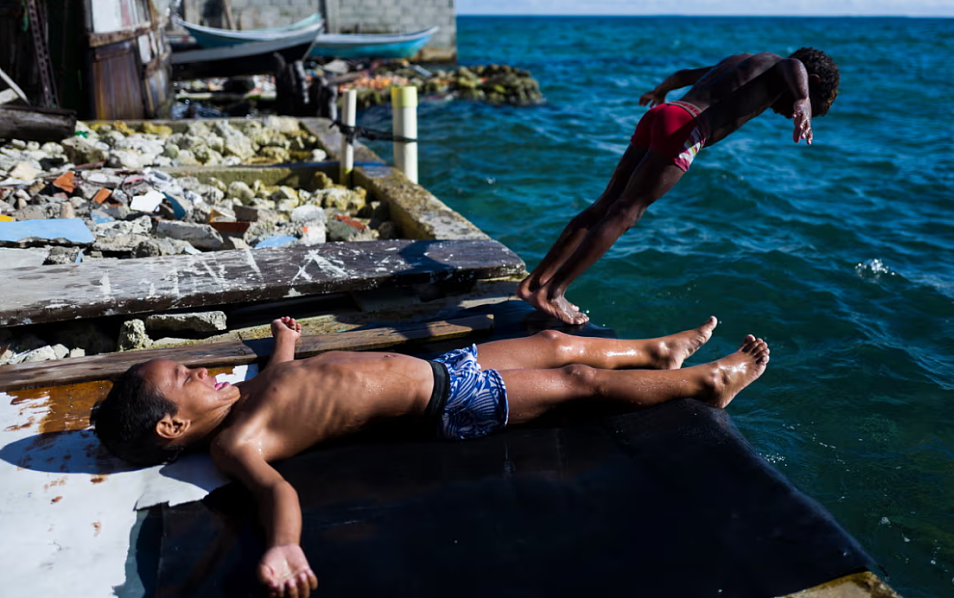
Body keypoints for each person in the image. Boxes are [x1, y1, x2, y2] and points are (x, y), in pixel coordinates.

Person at [93, 315, 771, 598]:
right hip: (450, 404)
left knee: (554, 341)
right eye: (185, 380)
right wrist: (283, 548)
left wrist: (286, 346)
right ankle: (705, 385)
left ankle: (655, 352)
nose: (200, 372)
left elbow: (287, 384)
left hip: (437, 367)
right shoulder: (239, 444)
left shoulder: (241, 398)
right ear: (174, 426)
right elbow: (277, 493)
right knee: (577, 385)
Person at [517, 48, 840, 324]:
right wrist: (801, 100)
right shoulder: (785, 68)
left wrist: (660, 91)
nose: (783, 114)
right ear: (813, 83)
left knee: (606, 205)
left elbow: (683, 74)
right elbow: (792, 65)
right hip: (687, 127)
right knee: (627, 213)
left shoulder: (744, 61)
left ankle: (535, 283)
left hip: (665, 113)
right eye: (793, 109)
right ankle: (554, 293)